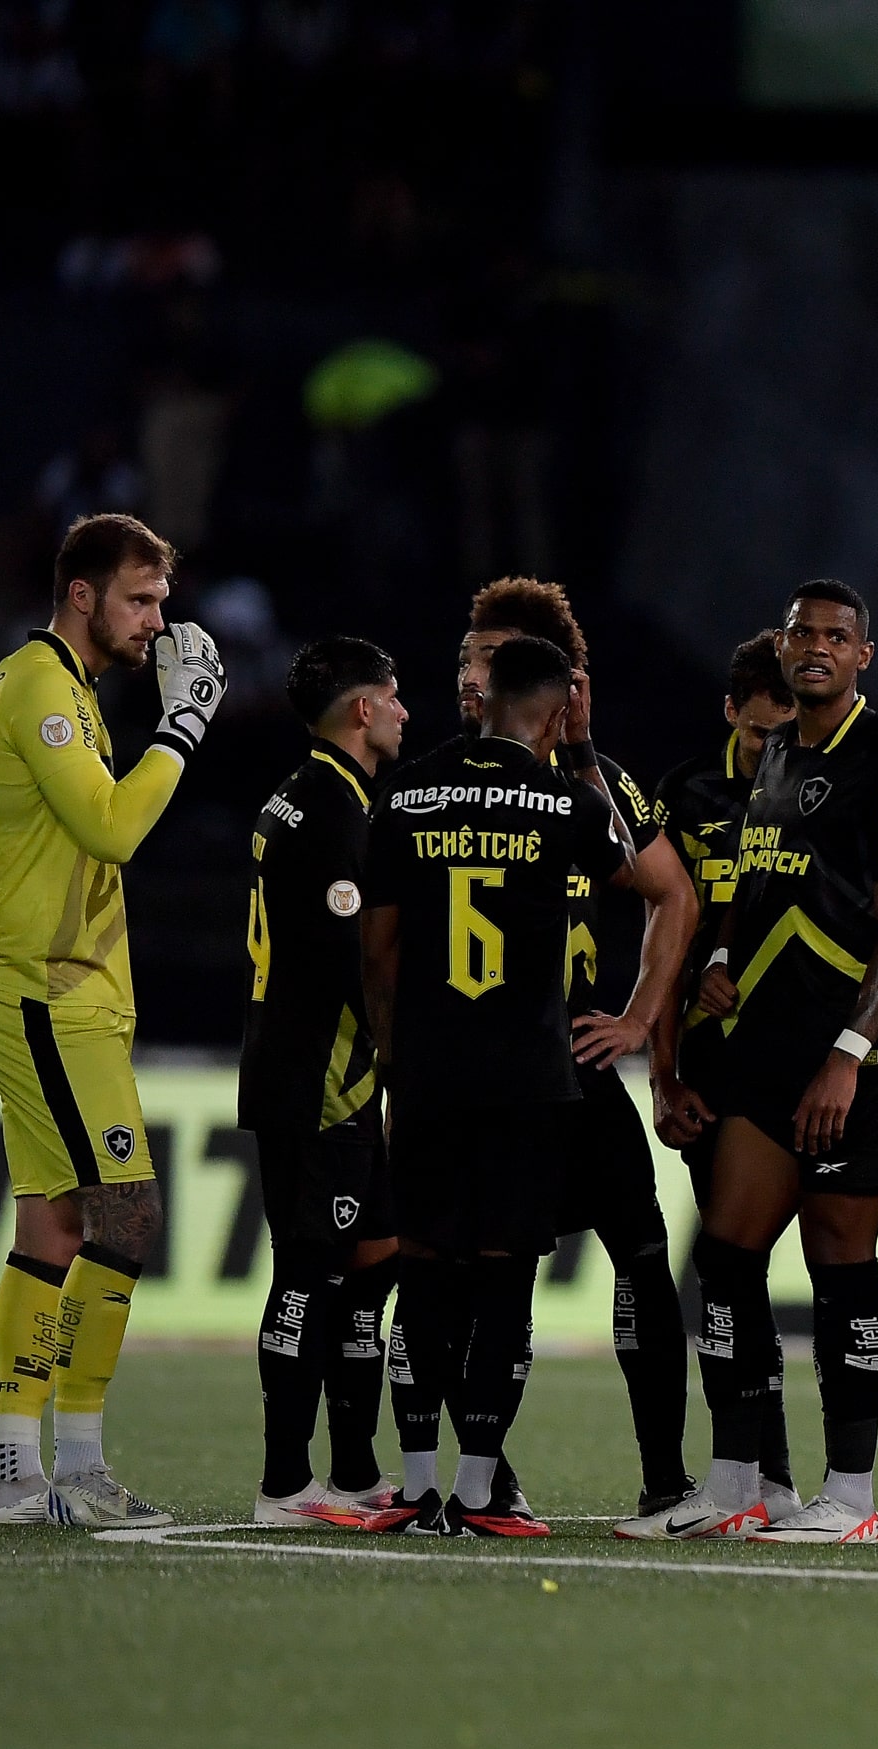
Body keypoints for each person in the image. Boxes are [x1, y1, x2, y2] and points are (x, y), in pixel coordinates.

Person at [626, 580, 878, 1545]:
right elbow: (753, 886)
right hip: (766, 1047)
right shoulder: (778, 756)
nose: (816, 648)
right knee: (725, 1255)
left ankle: (851, 1496)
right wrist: (719, 955)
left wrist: (848, 1056)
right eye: (803, 633)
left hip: (859, 1054)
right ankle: (736, 1487)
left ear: (862, 657)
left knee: (839, 1257)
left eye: (836, 637)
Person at [0, 511, 226, 1528]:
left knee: (56, 1223)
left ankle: (13, 1470)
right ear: (82, 595)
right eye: (141, 599)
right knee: (127, 1216)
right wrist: (185, 724)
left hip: (49, 990)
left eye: (162, 600)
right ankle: (74, 1465)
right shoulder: (39, 687)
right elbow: (111, 826)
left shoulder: (55, 689)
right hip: (47, 995)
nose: (158, 624)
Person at [361, 633, 643, 1537]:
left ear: (481, 700)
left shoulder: (406, 790)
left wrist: (391, 1051)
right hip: (530, 1072)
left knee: (422, 1272)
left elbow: (379, 942)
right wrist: (587, 755)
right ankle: (481, 1491)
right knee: (503, 1280)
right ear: (556, 712)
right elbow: (652, 876)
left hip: (431, 1070)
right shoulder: (562, 797)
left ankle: (410, 1487)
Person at [452, 579, 701, 1519]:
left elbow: (671, 891)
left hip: (575, 1064)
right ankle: (478, 1473)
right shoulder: (434, 781)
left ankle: (665, 1478)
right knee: (471, 1271)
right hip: (478, 1074)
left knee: (640, 1254)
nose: (474, 676)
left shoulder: (595, 784)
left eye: (494, 658)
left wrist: (638, 1018)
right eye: (470, 658)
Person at [237, 636, 412, 1528]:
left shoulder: (300, 796)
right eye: (394, 697)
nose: (405, 712)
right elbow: (354, 964)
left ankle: (352, 1468)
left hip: (317, 1071)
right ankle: (283, 1484)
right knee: (307, 1270)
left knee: (374, 1260)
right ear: (362, 709)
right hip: (323, 1081)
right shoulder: (336, 810)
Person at [648, 631, 803, 1503]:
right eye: (754, 736)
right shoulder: (686, 796)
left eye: (781, 737)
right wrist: (665, 1075)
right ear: (730, 713)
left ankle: (753, 1473)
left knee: (733, 1261)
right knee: (734, 1269)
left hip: (797, 1061)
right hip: (709, 1066)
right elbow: (662, 948)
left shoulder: (822, 794)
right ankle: (761, 1472)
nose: (766, 753)